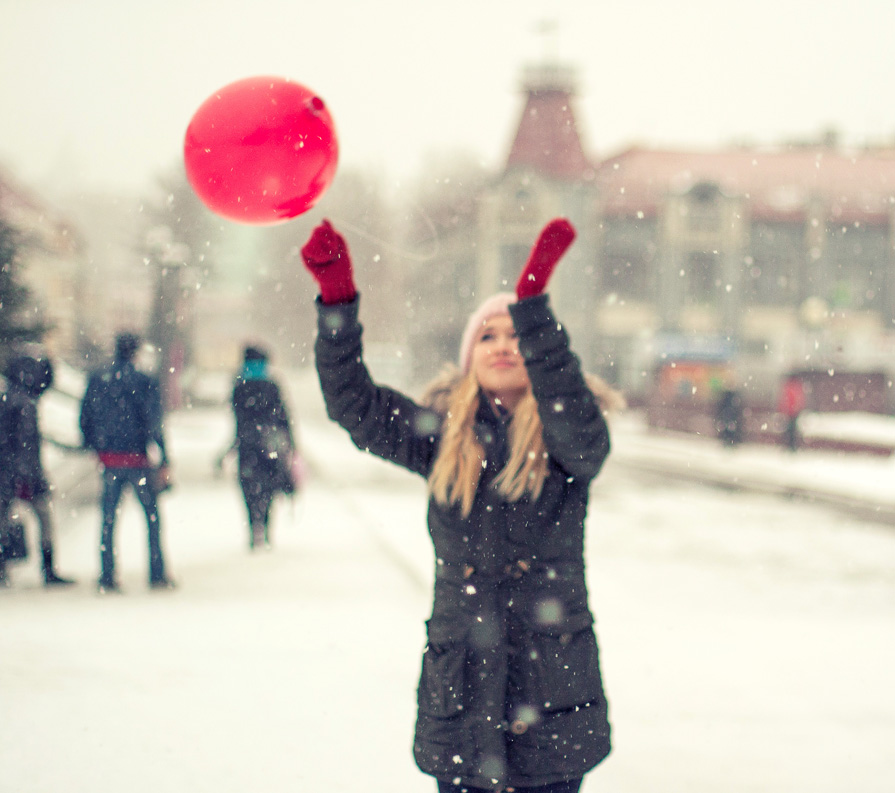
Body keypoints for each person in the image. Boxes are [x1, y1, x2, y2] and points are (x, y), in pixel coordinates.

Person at [300, 218, 621, 792]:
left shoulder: (566, 434)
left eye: (516, 334)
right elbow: (353, 404)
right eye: (488, 335)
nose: (503, 345)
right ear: (469, 352)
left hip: (550, 689)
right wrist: (337, 301)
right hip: (463, 689)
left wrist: (534, 310)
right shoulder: (442, 434)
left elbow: (583, 436)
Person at [79, 332, 174, 592]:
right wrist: (164, 456)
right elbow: (154, 421)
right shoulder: (144, 380)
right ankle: (157, 574)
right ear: (136, 351)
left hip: (110, 459)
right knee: (152, 518)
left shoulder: (99, 379)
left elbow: (85, 414)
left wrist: (93, 444)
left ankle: (107, 575)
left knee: (108, 518)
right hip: (138, 459)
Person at [0, 354, 76, 587]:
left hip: (7, 473)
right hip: (22, 474)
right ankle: (48, 569)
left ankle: (4, 568)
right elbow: (24, 445)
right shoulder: (24, 404)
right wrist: (27, 476)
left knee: (5, 519)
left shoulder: (8, 399)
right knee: (44, 518)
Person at [221, 344, 297, 550]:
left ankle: (253, 530)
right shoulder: (272, 385)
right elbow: (284, 417)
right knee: (269, 489)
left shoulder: (239, 385)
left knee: (248, 488)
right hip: (269, 445)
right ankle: (266, 528)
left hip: (247, 445)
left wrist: (234, 444)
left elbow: (237, 419)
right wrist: (291, 444)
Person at [778, 375, 806, 452]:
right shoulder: (796, 387)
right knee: (791, 430)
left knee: (789, 430)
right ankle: (791, 446)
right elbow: (798, 400)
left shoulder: (789, 387)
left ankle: (789, 445)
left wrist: (784, 409)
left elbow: (785, 400)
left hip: (790, 412)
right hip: (792, 412)